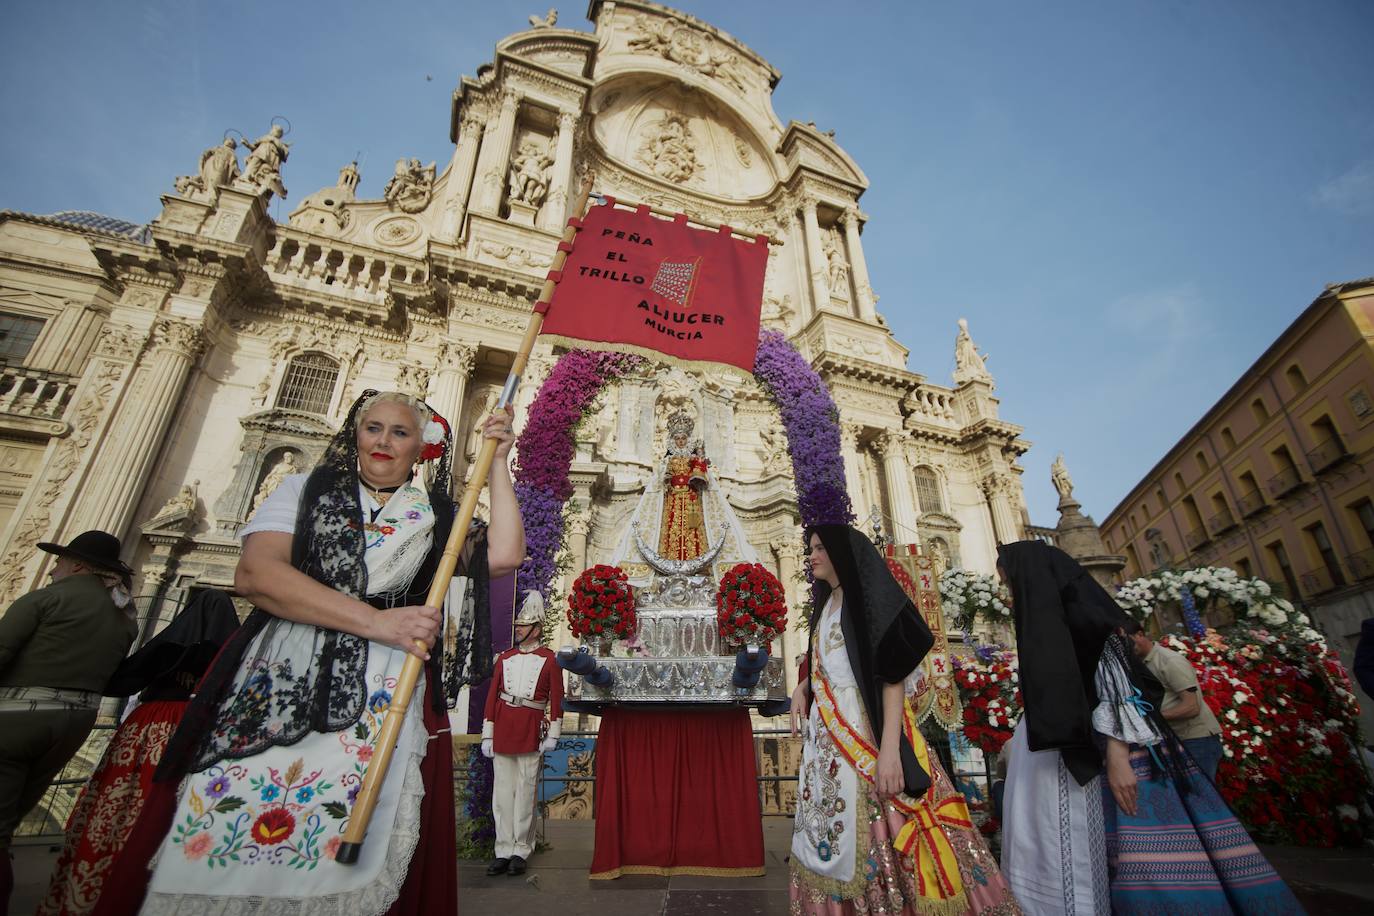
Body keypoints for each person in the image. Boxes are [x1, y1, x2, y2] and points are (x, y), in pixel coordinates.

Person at [90, 390, 524, 916]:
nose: (384, 440)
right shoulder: (302, 490)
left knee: (357, 822)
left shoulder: (434, 516)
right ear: (356, 434)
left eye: (400, 432)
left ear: (422, 449)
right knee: (243, 808)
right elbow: (256, 574)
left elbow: (504, 554)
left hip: (387, 688)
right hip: (282, 673)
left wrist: (497, 461)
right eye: (374, 428)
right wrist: (376, 621)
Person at [997, 540, 1301, 916]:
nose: (1008, 596)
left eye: (1009, 585)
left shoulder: (1088, 620)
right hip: (1058, 750)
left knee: (1135, 852)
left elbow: (1117, 687)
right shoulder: (1052, 623)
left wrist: (1118, 755)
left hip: (1105, 747)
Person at [788, 525, 1019, 915]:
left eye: (819, 548)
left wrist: (891, 751)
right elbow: (835, 663)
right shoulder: (826, 604)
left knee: (882, 817)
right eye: (810, 548)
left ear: (842, 554)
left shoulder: (863, 604)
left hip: (869, 732)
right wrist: (804, 686)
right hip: (828, 743)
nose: (811, 556)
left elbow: (889, 677)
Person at [37, 590, 240, 916]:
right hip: (199, 731)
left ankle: (89, 889)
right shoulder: (233, 655)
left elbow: (118, 681)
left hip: (150, 725)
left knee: (121, 804)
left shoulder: (170, 643)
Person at [0, 530, 137, 915]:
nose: (53, 570)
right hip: (75, 724)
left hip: (15, 720)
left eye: (59, 562)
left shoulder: (47, 599)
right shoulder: (125, 616)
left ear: (76, 564)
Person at [481, 591, 563, 877]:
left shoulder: (550, 659)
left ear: (537, 629)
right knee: (502, 793)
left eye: (523, 626)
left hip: (531, 728)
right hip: (503, 726)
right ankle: (502, 849)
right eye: (517, 626)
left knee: (526, 792)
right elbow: (492, 698)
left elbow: (557, 697)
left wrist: (554, 732)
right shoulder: (504, 658)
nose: (518, 630)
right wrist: (487, 733)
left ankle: (520, 850)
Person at [1120, 618, 1224, 781]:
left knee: (1202, 797)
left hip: (1197, 740)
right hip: (1176, 741)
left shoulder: (1169, 661)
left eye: (1127, 641)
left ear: (1140, 634)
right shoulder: (1139, 664)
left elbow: (1192, 707)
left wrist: (1149, 717)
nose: (1126, 648)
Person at [657, 410, 710, 561]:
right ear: (673, 440)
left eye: (683, 438)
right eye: (677, 438)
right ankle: (671, 558)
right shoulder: (668, 459)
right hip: (673, 498)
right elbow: (662, 476)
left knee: (692, 527)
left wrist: (699, 463)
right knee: (672, 525)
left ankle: (694, 558)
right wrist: (666, 478)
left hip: (690, 497)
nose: (680, 441)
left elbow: (701, 474)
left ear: (688, 439)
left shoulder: (693, 457)